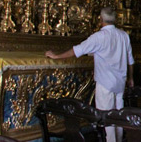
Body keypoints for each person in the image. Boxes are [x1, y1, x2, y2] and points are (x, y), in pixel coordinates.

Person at [45, 8, 134, 142]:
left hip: (105, 84)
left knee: (106, 120)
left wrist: (56, 56)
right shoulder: (123, 35)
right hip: (120, 83)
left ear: (101, 19)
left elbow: (76, 51)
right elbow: (130, 60)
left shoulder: (99, 37)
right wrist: (131, 78)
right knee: (118, 117)